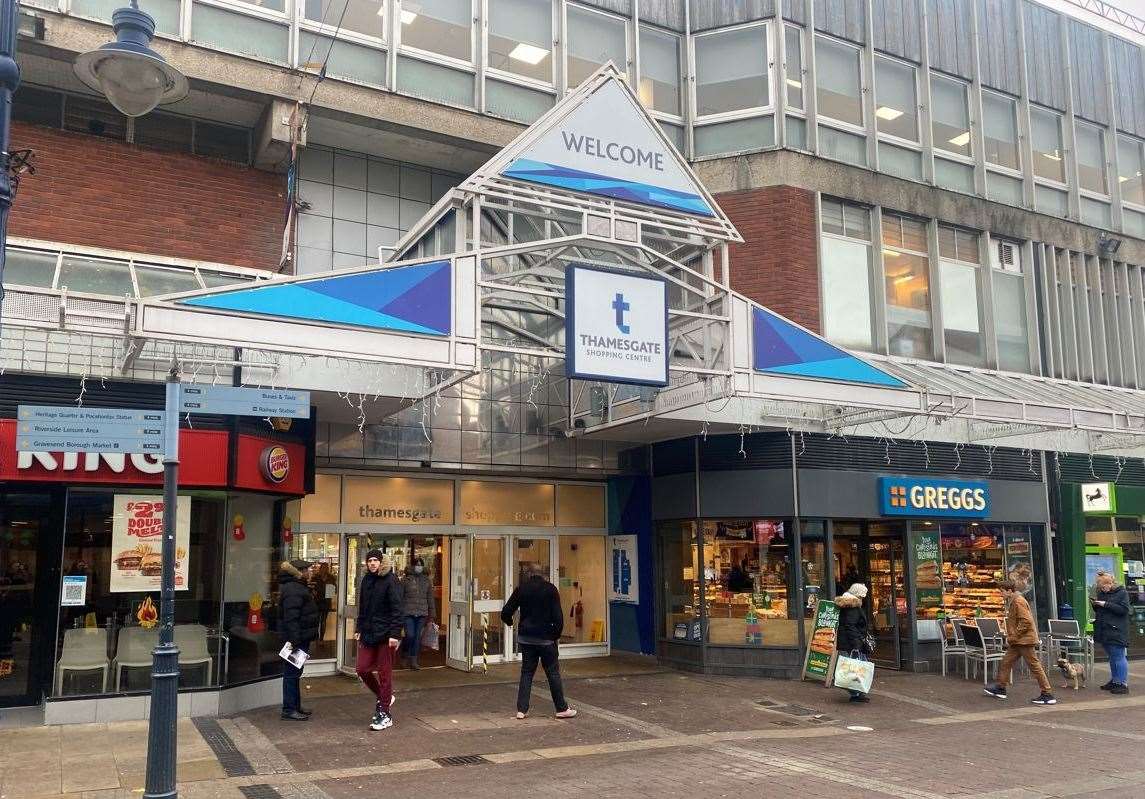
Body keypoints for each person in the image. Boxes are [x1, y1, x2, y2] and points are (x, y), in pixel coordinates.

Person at [501, 562, 576, 720]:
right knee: (553, 673)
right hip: (546, 638)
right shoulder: (551, 589)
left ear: (529, 574)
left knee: (527, 673)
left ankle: (522, 709)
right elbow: (558, 617)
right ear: (543, 574)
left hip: (526, 638)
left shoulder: (522, 589)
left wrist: (510, 623)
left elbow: (506, 611)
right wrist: (554, 635)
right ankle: (561, 708)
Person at [985, 579, 1056, 705]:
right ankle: (1001, 688)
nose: (1001, 594)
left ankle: (1047, 693)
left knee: (1035, 666)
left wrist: (1014, 636)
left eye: (1002, 591)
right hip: (1019, 641)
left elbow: (1026, 621)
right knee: (1006, 662)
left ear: (1009, 590)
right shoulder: (1015, 601)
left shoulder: (1018, 601)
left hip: (1024, 641)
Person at [355, 549, 403, 731]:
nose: (373, 563)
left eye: (376, 560)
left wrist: (395, 634)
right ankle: (385, 697)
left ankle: (384, 714)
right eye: (370, 560)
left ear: (381, 562)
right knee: (362, 669)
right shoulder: (366, 580)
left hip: (386, 634)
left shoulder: (391, 580)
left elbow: (397, 609)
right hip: (368, 633)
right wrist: (359, 628)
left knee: (384, 673)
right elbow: (363, 608)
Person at [278, 559, 321, 721]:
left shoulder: (295, 587)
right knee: (291, 673)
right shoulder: (294, 589)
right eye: (307, 569)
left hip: (299, 637)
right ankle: (289, 709)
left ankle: (294, 706)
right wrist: (295, 640)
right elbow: (291, 617)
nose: (310, 572)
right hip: (297, 639)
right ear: (299, 572)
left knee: (295, 672)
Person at [1092, 569, 1131, 695]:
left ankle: (1122, 683)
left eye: (1104, 586)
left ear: (1110, 583)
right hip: (1105, 630)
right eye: (1100, 587)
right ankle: (1115, 680)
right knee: (1112, 657)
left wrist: (1105, 604)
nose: (1103, 589)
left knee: (1119, 656)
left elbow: (1124, 610)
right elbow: (1103, 610)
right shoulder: (1102, 594)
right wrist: (1096, 604)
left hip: (1117, 630)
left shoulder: (1122, 593)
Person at [835, 582, 872, 702]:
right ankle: (856, 693)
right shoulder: (853, 607)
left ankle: (857, 692)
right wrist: (857, 644)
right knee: (859, 667)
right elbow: (851, 626)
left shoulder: (849, 605)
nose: (863, 599)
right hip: (853, 643)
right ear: (857, 595)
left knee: (857, 668)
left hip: (850, 641)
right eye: (862, 596)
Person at [400, 557, 436, 670]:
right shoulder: (405, 580)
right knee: (409, 635)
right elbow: (400, 597)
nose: (419, 566)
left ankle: (414, 660)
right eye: (417, 564)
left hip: (422, 613)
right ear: (413, 566)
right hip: (408, 612)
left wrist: (432, 614)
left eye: (421, 564)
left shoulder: (427, 581)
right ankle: (405, 653)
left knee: (417, 637)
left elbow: (430, 598)